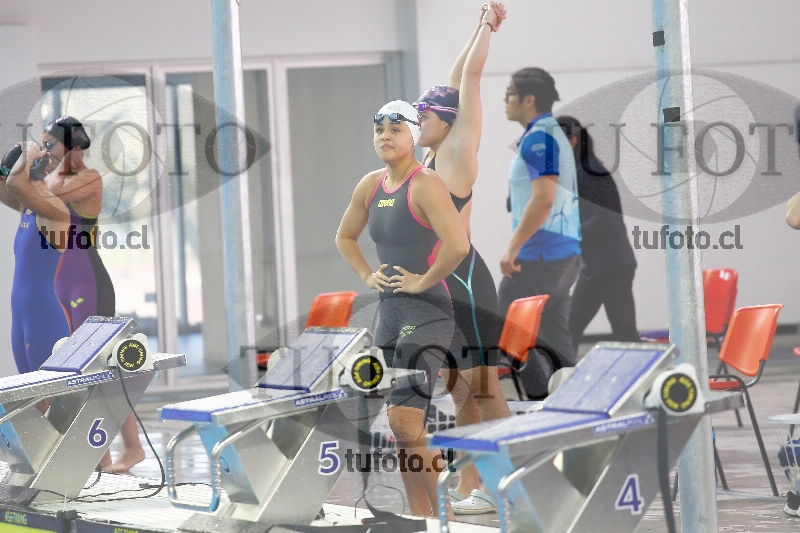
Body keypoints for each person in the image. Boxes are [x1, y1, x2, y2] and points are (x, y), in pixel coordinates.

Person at [336, 100, 469, 516]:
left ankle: (446, 517)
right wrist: (366, 275)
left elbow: (458, 245)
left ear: (413, 136)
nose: (385, 137)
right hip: (390, 312)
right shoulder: (370, 185)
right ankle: (421, 515)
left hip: (427, 312)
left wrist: (421, 281)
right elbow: (345, 237)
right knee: (400, 424)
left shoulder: (425, 183)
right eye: (379, 130)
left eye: (395, 130)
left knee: (406, 420)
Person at [413, 1, 508, 514]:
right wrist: (474, 27)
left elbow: (468, 79)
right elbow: (455, 77)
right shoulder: (431, 155)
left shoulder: (457, 151)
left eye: (423, 116)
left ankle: (511, 480)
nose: (416, 124)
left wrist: (487, 24)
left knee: (483, 389)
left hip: (467, 283)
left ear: (447, 122)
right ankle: (474, 481)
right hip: (443, 284)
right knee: (459, 391)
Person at [40, 117, 144, 473]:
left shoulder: (88, 178)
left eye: (51, 145)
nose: (46, 152)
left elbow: (49, 192)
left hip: (88, 283)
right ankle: (101, 456)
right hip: (62, 284)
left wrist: (53, 165)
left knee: (102, 368)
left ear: (74, 148)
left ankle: (133, 447)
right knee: (76, 371)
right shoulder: (56, 175)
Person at [498, 68, 581, 399]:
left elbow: (544, 199)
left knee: (509, 331)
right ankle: (574, 404)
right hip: (562, 254)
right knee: (555, 338)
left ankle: (540, 403)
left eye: (509, 93)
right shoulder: (548, 133)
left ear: (528, 99)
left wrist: (512, 247)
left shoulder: (540, 138)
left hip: (541, 255)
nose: (504, 100)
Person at [555, 116, 639, 349]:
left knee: (625, 332)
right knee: (569, 329)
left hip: (612, 265)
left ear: (571, 142)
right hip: (594, 266)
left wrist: (568, 233)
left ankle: (652, 373)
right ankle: (563, 371)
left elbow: (605, 219)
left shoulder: (590, 171)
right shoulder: (579, 171)